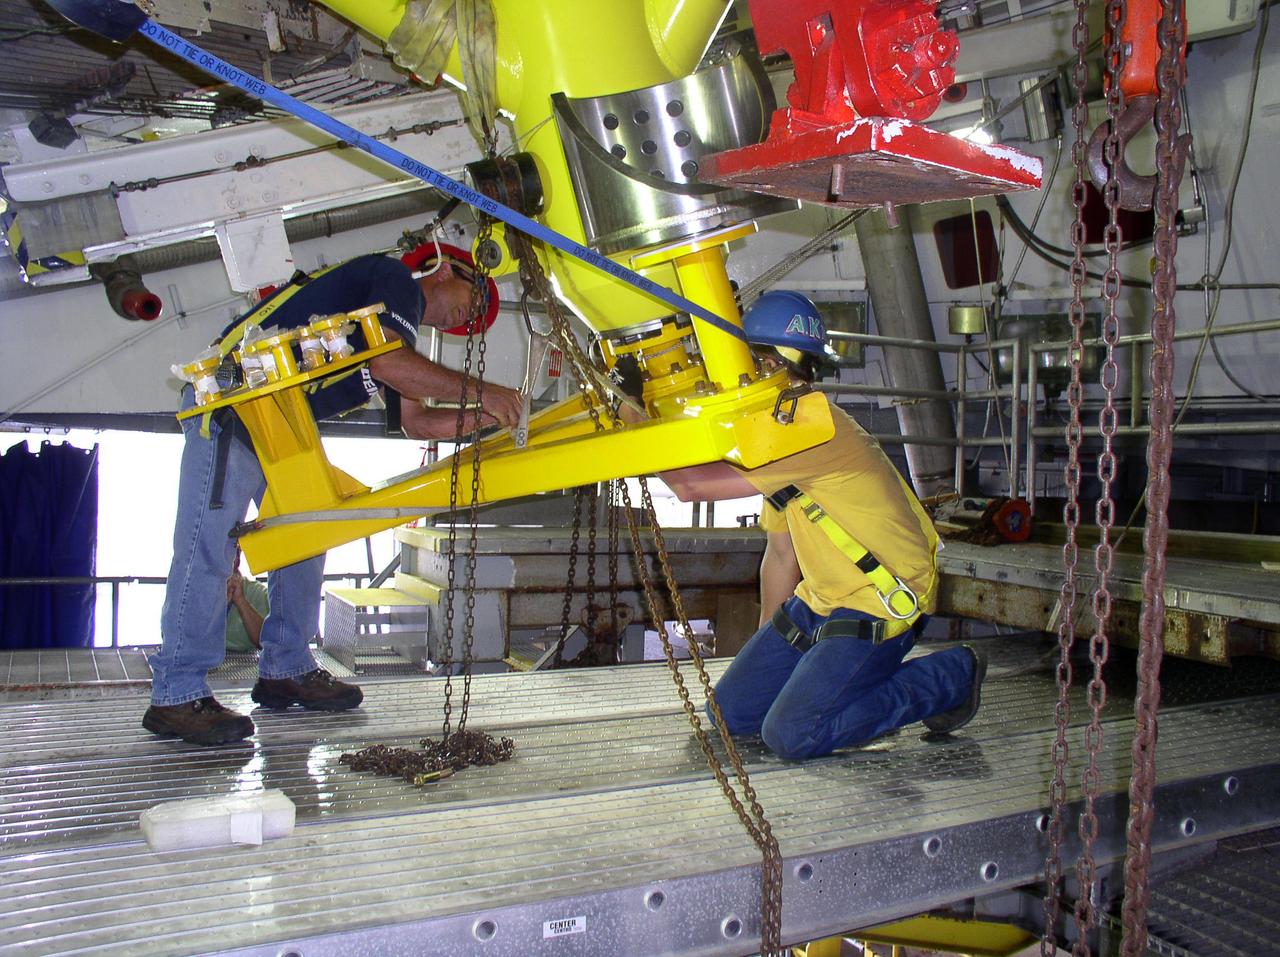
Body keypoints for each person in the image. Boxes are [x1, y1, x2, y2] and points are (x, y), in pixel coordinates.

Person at [145, 245, 523, 746]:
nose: (467, 317)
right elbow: (390, 364)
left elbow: (416, 423)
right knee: (208, 549)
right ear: (446, 269)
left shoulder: (401, 331)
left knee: (307, 535)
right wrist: (487, 392)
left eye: (472, 320)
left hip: (279, 421)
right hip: (232, 404)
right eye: (475, 300)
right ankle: (176, 693)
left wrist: (489, 421)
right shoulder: (394, 280)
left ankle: (287, 667)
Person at [628, 290, 985, 760]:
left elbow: (690, 486)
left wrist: (631, 409)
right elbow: (781, 554)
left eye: (748, 362)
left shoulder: (811, 428)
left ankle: (952, 676)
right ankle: (842, 702)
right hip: (821, 600)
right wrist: (764, 653)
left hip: (881, 601)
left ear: (772, 365)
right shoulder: (772, 434)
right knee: (730, 715)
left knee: (793, 733)